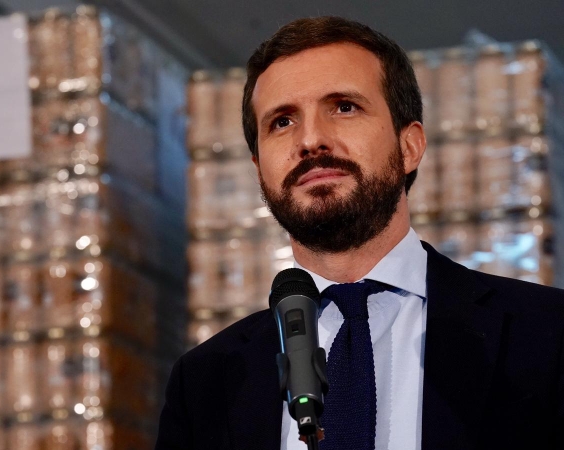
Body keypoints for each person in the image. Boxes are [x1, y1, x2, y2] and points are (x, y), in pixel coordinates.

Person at [156, 16, 564, 450]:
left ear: (410, 147)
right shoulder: (205, 381)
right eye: (282, 122)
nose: (311, 139)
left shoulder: (546, 333)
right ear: (260, 168)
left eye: (344, 107)